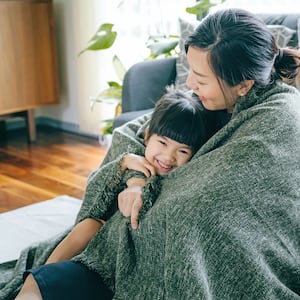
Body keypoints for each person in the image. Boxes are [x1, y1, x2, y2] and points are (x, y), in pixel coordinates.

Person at [15, 8, 300, 299]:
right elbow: (133, 133)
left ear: (243, 86)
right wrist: (136, 178)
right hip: (120, 247)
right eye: (191, 73)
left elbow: (197, 209)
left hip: (182, 257)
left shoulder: (278, 122)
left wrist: (145, 192)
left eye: (200, 79)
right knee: (39, 283)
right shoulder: (212, 98)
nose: (189, 85)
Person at [15, 86, 225, 299]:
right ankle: (47, 275)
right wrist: (124, 166)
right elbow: (94, 197)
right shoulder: (135, 162)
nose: (168, 157)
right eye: (162, 143)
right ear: (147, 137)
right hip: (99, 239)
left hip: (122, 254)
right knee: (88, 226)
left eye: (182, 151)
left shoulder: (183, 180)